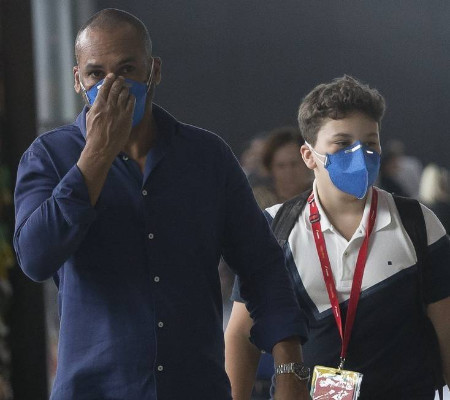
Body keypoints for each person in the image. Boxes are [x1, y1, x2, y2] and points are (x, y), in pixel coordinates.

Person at [13, 9, 310, 400]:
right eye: (96, 74)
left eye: (126, 69)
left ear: (153, 70)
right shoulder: (50, 156)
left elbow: (262, 266)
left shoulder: (206, 156)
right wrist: (96, 157)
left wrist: (289, 368)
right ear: (77, 79)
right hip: (94, 390)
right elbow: (35, 258)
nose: (111, 86)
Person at [225, 76, 450, 399]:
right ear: (309, 156)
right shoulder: (275, 227)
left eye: (370, 143)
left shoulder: (418, 224)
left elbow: (446, 333)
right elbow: (241, 333)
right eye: (342, 143)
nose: (360, 154)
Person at [252, 127, 312, 209]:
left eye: (294, 164)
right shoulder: (257, 202)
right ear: (270, 168)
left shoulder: (322, 197)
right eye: (281, 166)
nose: (289, 172)